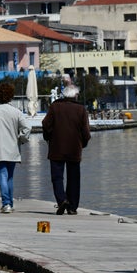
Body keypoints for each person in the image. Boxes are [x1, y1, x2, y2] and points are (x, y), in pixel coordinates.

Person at [42, 84, 91, 215]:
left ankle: (62, 200)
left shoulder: (55, 107)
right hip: (74, 148)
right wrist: (83, 143)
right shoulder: (81, 109)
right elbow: (86, 131)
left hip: (56, 148)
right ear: (75, 95)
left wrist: (48, 138)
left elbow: (45, 124)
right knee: (74, 178)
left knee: (57, 177)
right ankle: (72, 207)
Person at [0, 83, 31, 214]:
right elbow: (27, 128)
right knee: (10, 177)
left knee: (2, 176)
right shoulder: (16, 112)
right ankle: (9, 202)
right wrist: (21, 139)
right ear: (11, 96)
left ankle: (6, 204)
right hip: (13, 149)